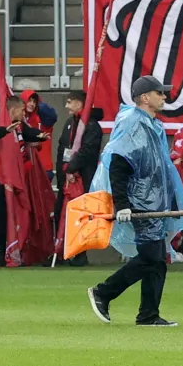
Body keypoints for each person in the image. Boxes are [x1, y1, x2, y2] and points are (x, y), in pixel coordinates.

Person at [85, 75, 183, 328]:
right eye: (160, 93)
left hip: (153, 202)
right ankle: (104, 292)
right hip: (139, 201)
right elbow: (118, 165)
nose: (164, 97)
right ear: (145, 97)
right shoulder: (133, 123)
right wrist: (122, 204)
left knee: (157, 260)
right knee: (149, 257)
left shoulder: (152, 124)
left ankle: (148, 315)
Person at [0, 94, 45, 267]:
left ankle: (6, 252)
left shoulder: (19, 126)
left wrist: (40, 135)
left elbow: (29, 133)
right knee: (1, 216)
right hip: (0, 178)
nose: (23, 114)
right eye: (21, 111)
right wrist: (6, 130)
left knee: (13, 216)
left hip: (15, 177)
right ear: (13, 110)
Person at [55, 90, 103, 265]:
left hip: (83, 179)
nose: (66, 106)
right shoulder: (69, 123)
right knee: (61, 212)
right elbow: (61, 149)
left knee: (81, 216)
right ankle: (60, 251)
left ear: (80, 103)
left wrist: (72, 168)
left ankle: (81, 254)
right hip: (66, 180)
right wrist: (62, 173)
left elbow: (87, 151)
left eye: (70, 102)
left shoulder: (92, 126)